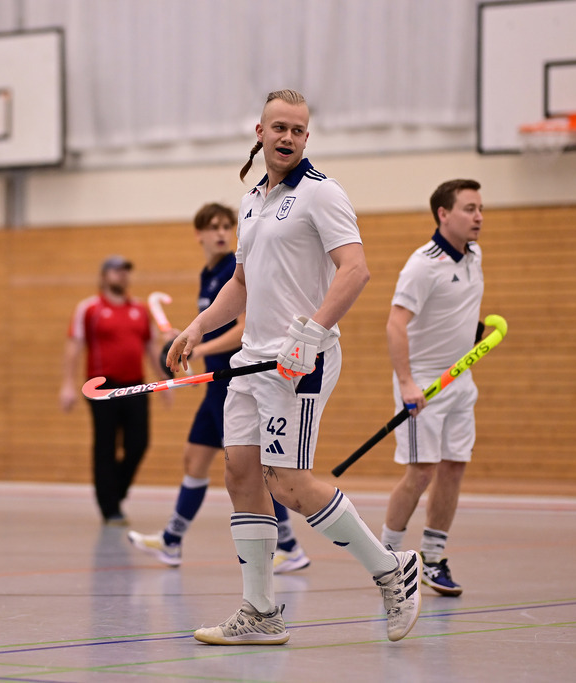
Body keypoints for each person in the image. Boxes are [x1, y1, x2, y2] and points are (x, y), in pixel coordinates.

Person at [166, 89, 423, 646]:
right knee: (239, 475)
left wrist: (311, 331)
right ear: (259, 132)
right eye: (278, 127)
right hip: (251, 360)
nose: (287, 137)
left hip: (299, 362)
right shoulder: (251, 200)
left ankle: (391, 570)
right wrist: (196, 328)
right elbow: (241, 284)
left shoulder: (322, 194)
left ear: (306, 138)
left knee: (286, 482)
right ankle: (259, 612)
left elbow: (355, 271)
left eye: (298, 130)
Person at [127, 203, 311, 573]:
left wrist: (199, 346)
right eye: (213, 227)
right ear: (198, 234)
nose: (222, 233)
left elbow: (242, 327)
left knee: (253, 469)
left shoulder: (234, 269)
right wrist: (188, 338)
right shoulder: (208, 273)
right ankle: (172, 540)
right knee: (194, 459)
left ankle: (290, 546)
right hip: (216, 386)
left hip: (238, 384)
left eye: (227, 226)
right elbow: (210, 325)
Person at [379, 179, 485, 598]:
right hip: (423, 382)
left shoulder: (475, 256)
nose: (478, 217)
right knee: (421, 472)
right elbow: (395, 323)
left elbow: (458, 310)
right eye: (469, 209)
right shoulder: (421, 264)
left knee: (454, 466)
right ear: (443, 214)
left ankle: (434, 559)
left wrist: (472, 334)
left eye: (480, 208)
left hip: (460, 379)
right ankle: (385, 559)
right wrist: (406, 382)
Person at [60, 255, 169, 525]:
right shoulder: (90, 309)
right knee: (105, 446)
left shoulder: (141, 310)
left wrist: (164, 381)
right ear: (104, 275)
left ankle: (114, 493)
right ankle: (110, 509)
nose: (122, 276)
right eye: (116, 271)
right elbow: (74, 347)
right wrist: (67, 385)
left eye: (125, 272)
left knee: (138, 443)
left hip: (136, 385)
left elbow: (151, 349)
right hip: (102, 386)